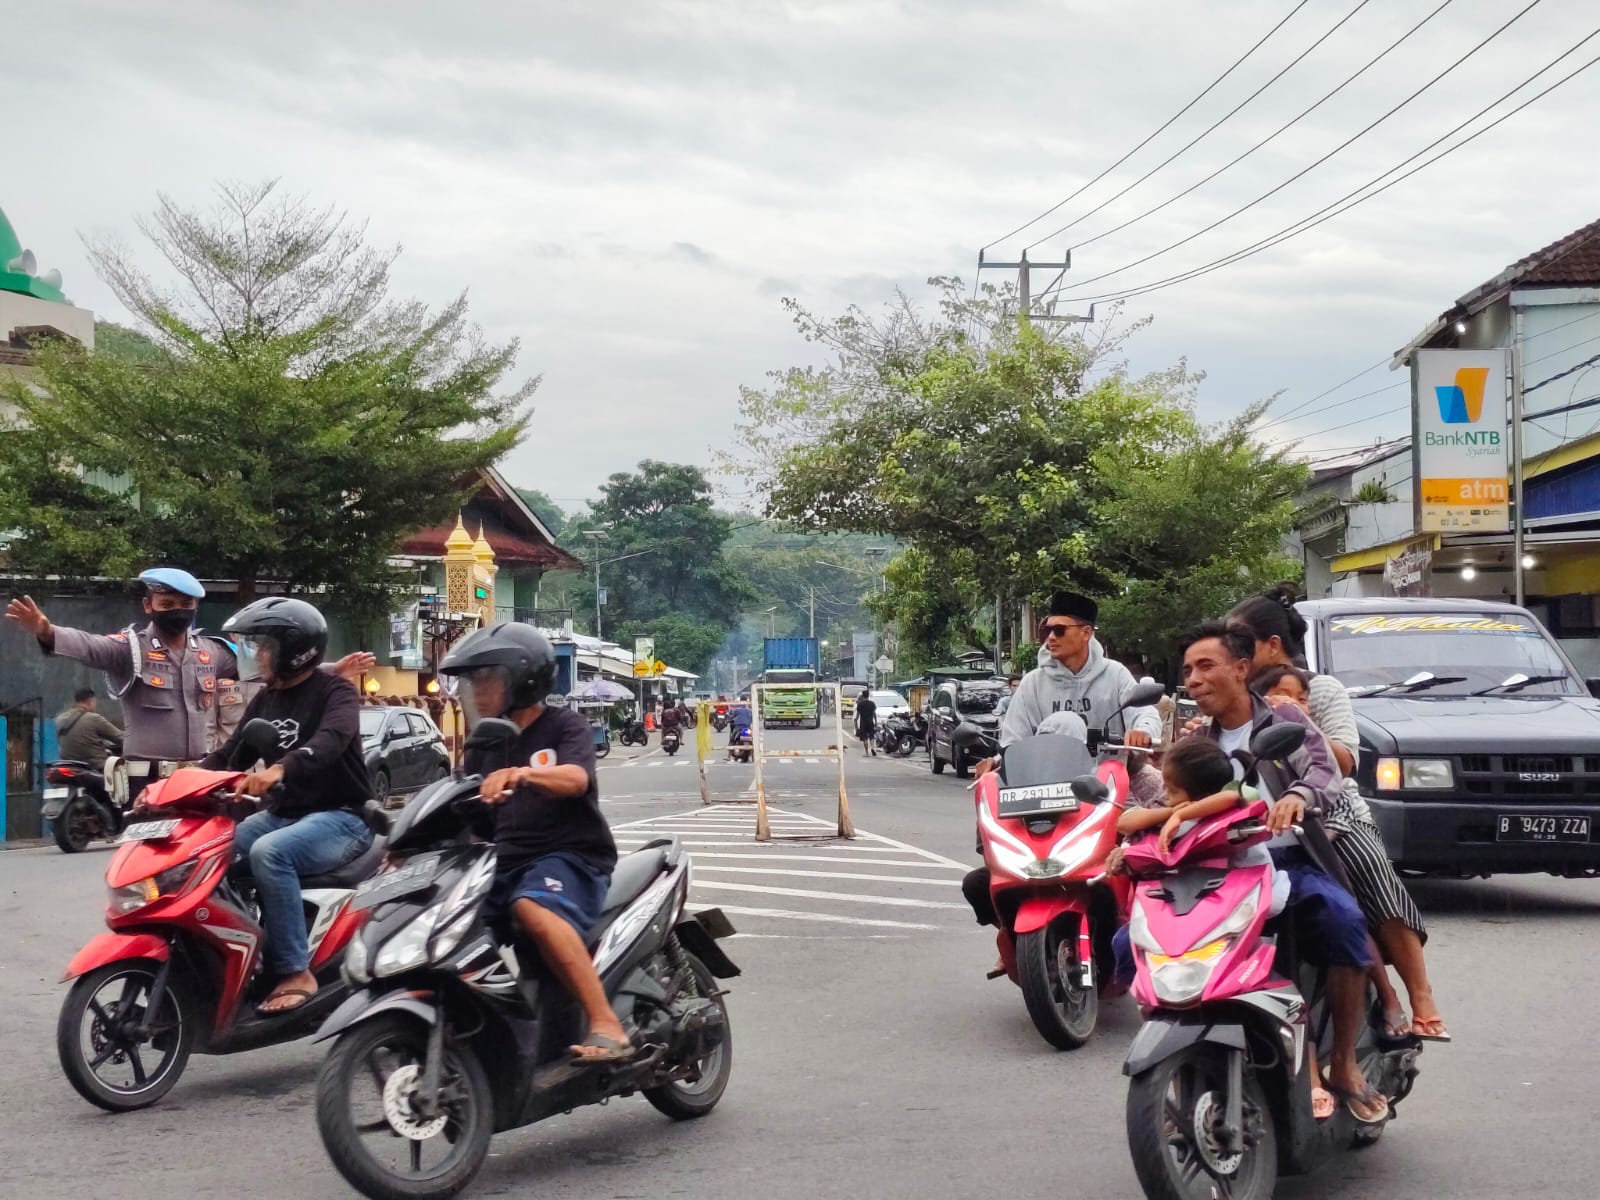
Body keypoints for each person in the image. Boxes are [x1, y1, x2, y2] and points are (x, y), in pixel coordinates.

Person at [1179, 620, 1389, 1123]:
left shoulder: (1284, 717)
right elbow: (1168, 795)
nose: (1194, 680)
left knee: (1343, 920)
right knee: (1135, 942)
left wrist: (1298, 794)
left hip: (1289, 861)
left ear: (1241, 668)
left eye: (1205, 666)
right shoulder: (1194, 737)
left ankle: (1342, 1063)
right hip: (1219, 870)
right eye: (1187, 671)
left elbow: (1323, 771)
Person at [1229, 586, 1447, 1042]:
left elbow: (1345, 762)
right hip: (1260, 815)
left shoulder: (1320, 688)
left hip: (1332, 808)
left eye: (1242, 643)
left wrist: (1298, 719)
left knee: (1363, 870)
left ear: (1272, 645)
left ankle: (1419, 993)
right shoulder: (1238, 693)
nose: (1234, 653)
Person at [440, 622, 629, 1065]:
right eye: (472, 682)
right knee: (445, 921)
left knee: (531, 907)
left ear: (522, 679)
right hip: (504, 863)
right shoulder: (483, 746)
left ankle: (606, 1022)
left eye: (486, 679)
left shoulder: (565, 726)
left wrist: (525, 774)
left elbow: (576, 778)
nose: (477, 691)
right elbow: (462, 807)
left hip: (571, 856)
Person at [6, 567, 373, 791]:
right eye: (167, 605)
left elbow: (267, 668)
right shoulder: (129, 649)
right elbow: (89, 646)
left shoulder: (210, 652)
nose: (177, 612)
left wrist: (330, 668)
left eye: (185, 605)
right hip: (147, 779)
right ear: (148, 606)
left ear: (196, 607)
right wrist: (46, 631)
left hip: (201, 776)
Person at [200, 598, 373, 1016]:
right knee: (209, 851)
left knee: (269, 852)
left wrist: (281, 768)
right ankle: (239, 956)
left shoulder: (335, 692)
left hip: (342, 817)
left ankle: (295, 970)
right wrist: (178, 782)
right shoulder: (265, 700)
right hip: (283, 815)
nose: (257, 655)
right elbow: (230, 755)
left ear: (294, 651)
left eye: (265, 646)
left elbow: (330, 741)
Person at [999, 592, 1162, 749]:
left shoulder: (1115, 674)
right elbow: (1013, 740)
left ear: (1086, 633)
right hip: (1049, 769)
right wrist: (998, 759)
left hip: (1107, 768)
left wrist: (1143, 731)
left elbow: (1144, 713)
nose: (1051, 637)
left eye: (1059, 630)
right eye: (1047, 630)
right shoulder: (1032, 683)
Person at [54, 687, 123, 764]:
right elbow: (120, 738)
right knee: (121, 769)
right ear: (90, 701)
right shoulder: (94, 719)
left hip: (68, 764)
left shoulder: (60, 719)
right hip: (95, 765)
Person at [855, 688, 877, 756]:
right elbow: (874, 713)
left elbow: (857, 715)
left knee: (864, 738)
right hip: (870, 722)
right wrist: (876, 722)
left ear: (863, 696)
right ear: (868, 695)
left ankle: (867, 753)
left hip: (863, 723)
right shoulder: (872, 703)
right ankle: (872, 748)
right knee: (871, 736)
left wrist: (856, 721)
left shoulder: (860, 704)